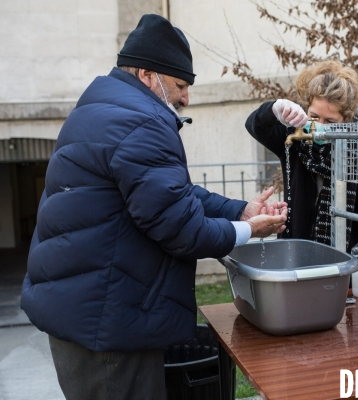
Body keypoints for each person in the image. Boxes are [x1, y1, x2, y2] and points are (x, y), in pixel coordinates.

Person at [20, 14, 287, 400]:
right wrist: (249, 230)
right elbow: (182, 229)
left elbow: (166, 195)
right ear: (148, 75)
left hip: (85, 314)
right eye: (180, 85)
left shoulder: (102, 108)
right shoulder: (142, 123)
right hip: (108, 330)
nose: (185, 97)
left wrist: (238, 210)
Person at [245, 60, 358, 275]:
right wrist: (275, 108)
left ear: (346, 120)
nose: (320, 127)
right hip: (293, 261)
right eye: (314, 117)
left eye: (330, 121)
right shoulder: (294, 139)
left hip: (342, 269)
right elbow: (255, 126)